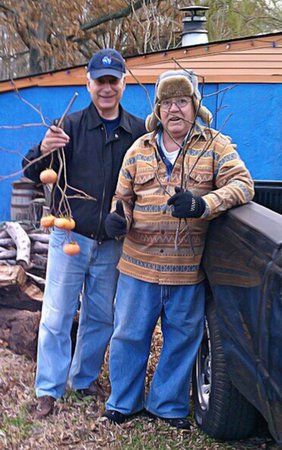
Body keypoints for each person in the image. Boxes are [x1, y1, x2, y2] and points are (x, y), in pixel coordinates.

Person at [102, 69, 254, 429]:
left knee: (182, 339)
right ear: (158, 108)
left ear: (194, 106)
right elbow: (122, 198)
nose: (174, 110)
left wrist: (203, 206)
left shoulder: (215, 145)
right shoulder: (138, 149)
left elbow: (243, 184)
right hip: (138, 265)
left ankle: (167, 406)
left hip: (186, 269)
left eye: (181, 102)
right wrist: (117, 218)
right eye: (167, 103)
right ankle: (123, 403)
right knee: (128, 335)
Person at [22, 48, 146, 419]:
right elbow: (32, 170)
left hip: (112, 244)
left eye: (113, 81)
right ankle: (48, 389)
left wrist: (124, 218)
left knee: (100, 317)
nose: (106, 88)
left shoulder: (137, 131)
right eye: (100, 81)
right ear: (88, 84)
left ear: (123, 83)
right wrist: (44, 149)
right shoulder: (69, 126)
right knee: (57, 314)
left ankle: (84, 378)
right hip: (70, 238)